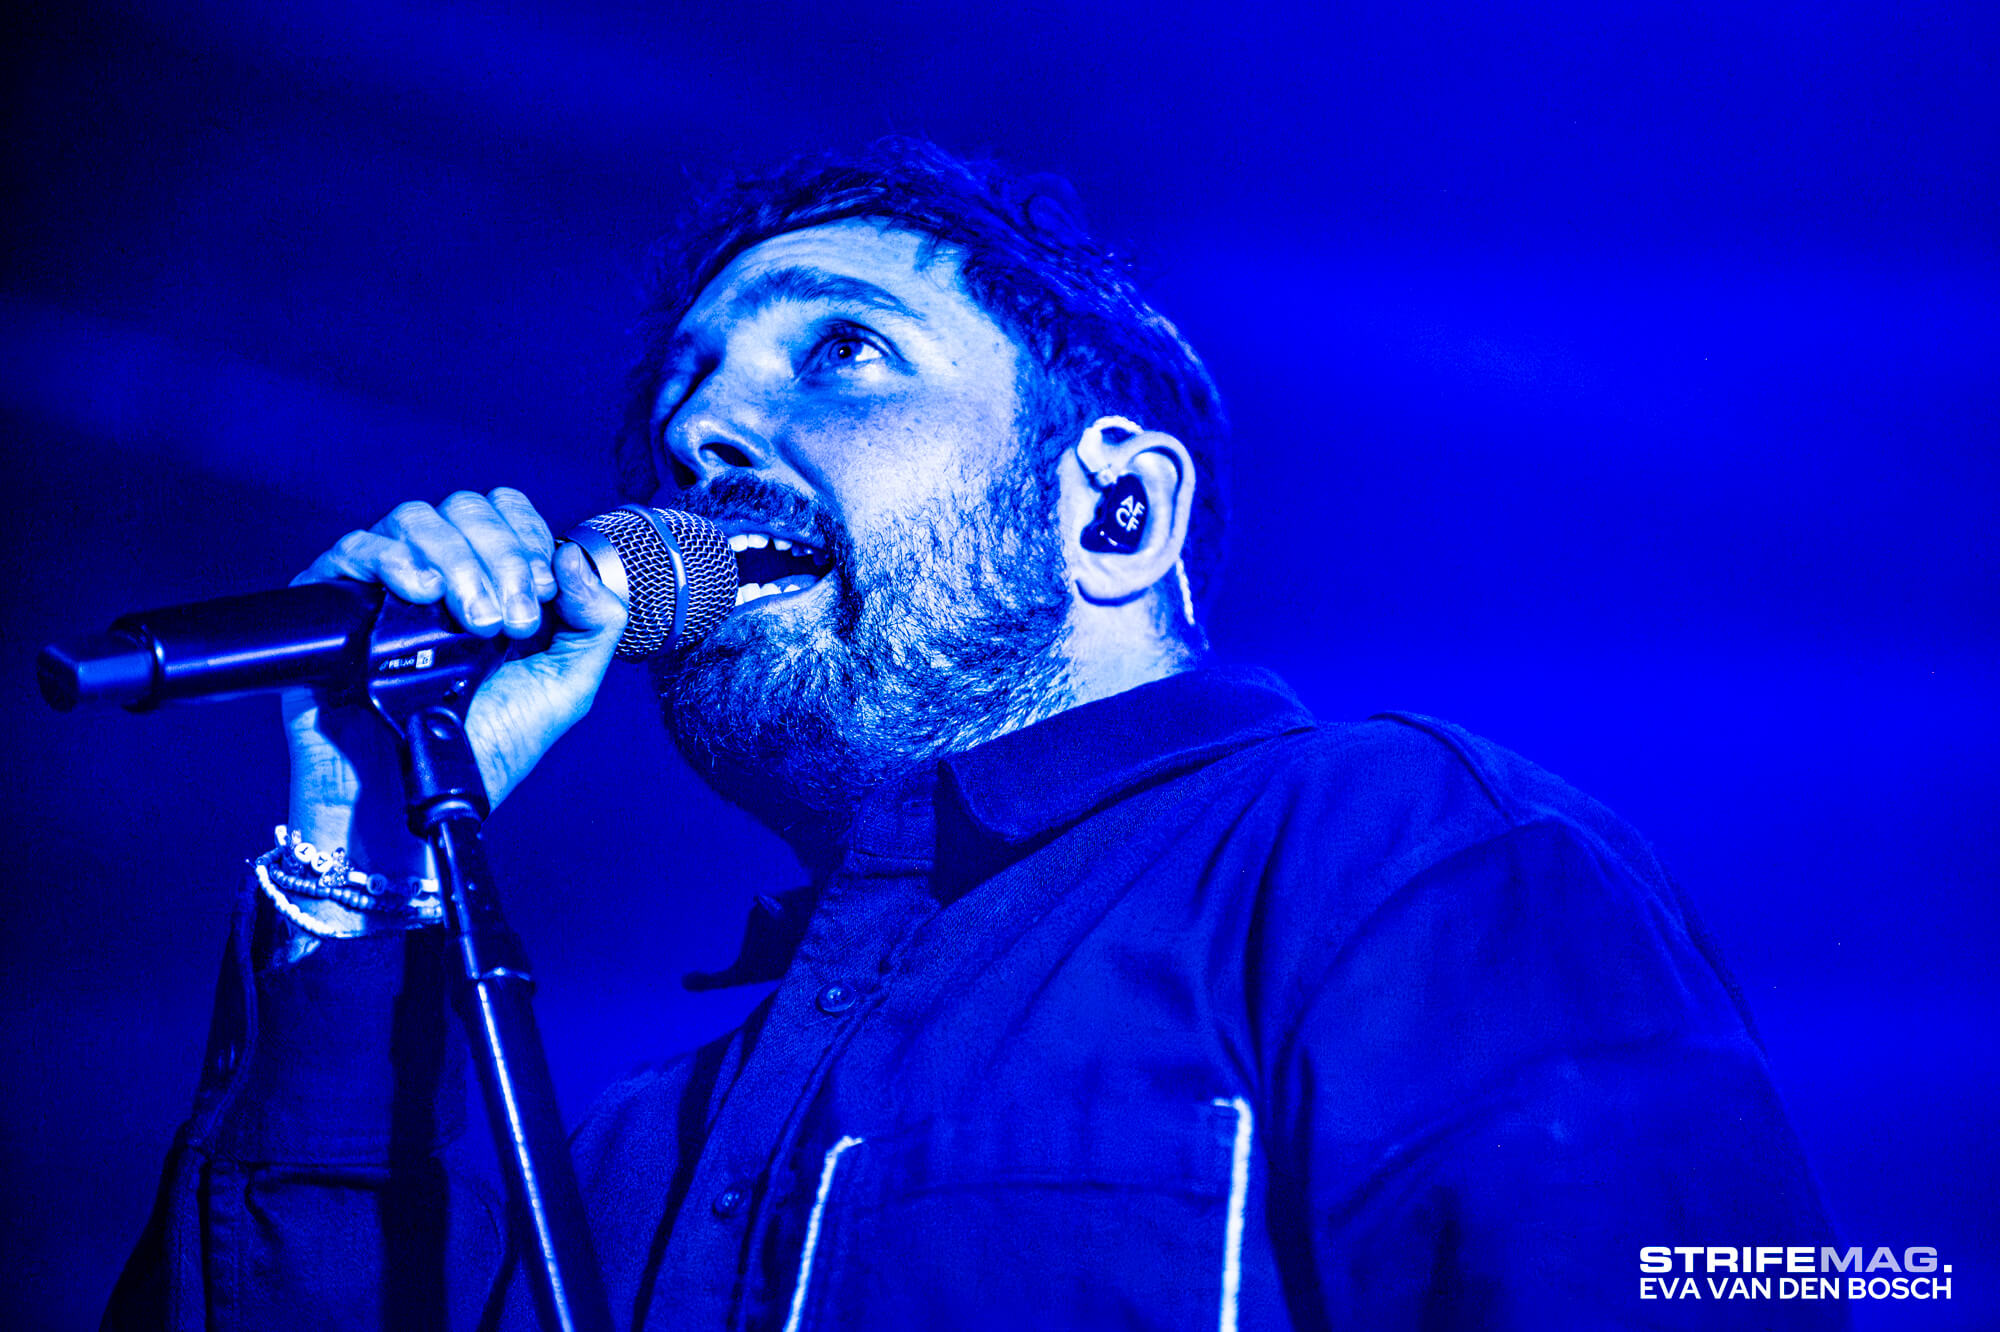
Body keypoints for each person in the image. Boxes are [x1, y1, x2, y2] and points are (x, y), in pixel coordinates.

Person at [107, 139, 1843, 1330]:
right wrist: (370, 847)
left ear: (1112, 513)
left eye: (844, 353)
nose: (704, 438)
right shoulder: (637, 1147)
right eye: (681, 401)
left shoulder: (1398, 851)